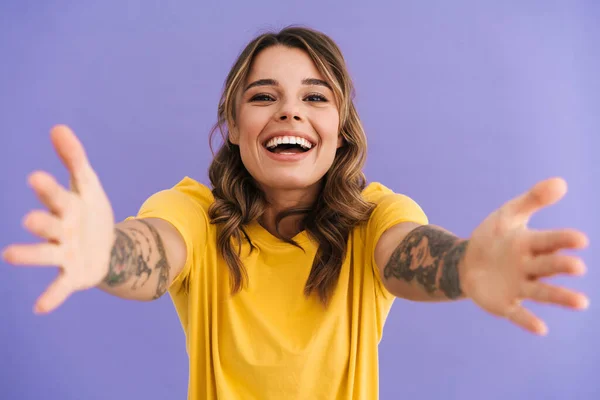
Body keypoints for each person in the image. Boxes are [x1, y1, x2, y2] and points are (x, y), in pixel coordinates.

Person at [3, 26, 589, 399]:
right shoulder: (190, 212)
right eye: (263, 97)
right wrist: (106, 255)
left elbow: (409, 254)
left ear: (339, 129)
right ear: (234, 127)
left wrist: (462, 266)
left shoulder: (377, 217)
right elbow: (153, 254)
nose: (290, 112)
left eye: (315, 96)